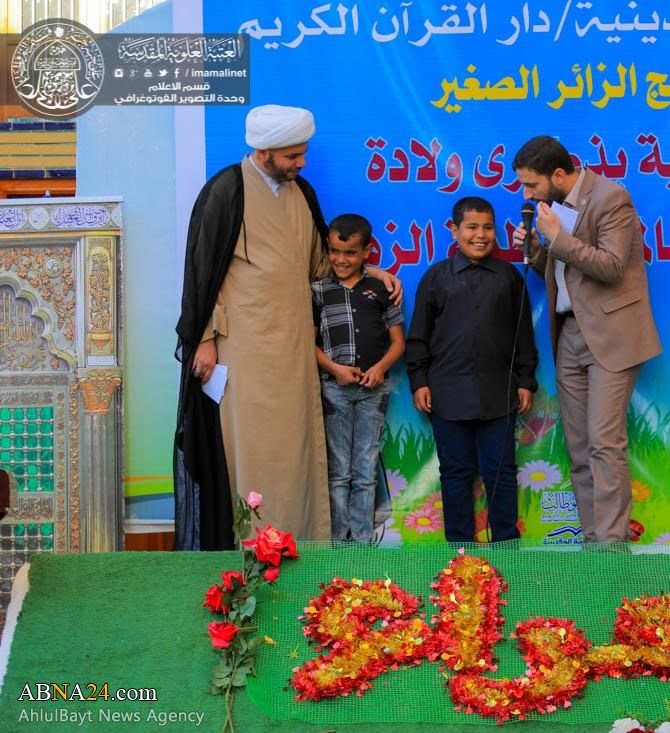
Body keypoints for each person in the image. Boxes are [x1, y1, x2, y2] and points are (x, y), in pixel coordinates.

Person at [174, 104, 401, 551]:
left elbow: (323, 267)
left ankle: (304, 545)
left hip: (298, 350)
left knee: (297, 449)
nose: (302, 163)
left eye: (303, 153)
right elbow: (201, 273)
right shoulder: (226, 190)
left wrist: (372, 273)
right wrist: (203, 340)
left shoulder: (301, 192)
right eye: (293, 156)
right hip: (244, 347)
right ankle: (253, 547)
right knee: (253, 449)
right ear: (264, 152)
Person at [510, 135, 661, 543]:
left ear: (558, 174)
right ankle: (594, 543)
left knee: (604, 444)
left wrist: (556, 238)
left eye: (531, 185)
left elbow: (611, 266)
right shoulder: (557, 207)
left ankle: (611, 548)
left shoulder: (611, 199)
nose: (526, 194)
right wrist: (538, 250)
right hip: (570, 333)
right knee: (578, 448)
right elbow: (567, 274)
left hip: (611, 336)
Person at [406, 196, 537, 543]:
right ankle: (460, 553)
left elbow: (524, 334)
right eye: (472, 227)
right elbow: (418, 336)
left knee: (501, 472)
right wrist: (419, 380)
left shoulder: (509, 277)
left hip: (499, 393)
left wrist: (526, 380)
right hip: (447, 394)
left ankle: (506, 545)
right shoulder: (436, 278)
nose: (481, 235)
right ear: (454, 230)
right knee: (455, 473)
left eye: (488, 227)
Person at [312, 214, 405, 542]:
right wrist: (334, 369)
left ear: (366, 251)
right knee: (339, 472)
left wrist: (379, 368)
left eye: (350, 253)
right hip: (334, 390)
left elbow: (398, 343)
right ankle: (340, 542)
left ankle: (362, 543)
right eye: (335, 251)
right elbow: (308, 345)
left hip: (373, 392)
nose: (341, 259)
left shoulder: (380, 289)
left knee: (365, 470)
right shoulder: (319, 290)